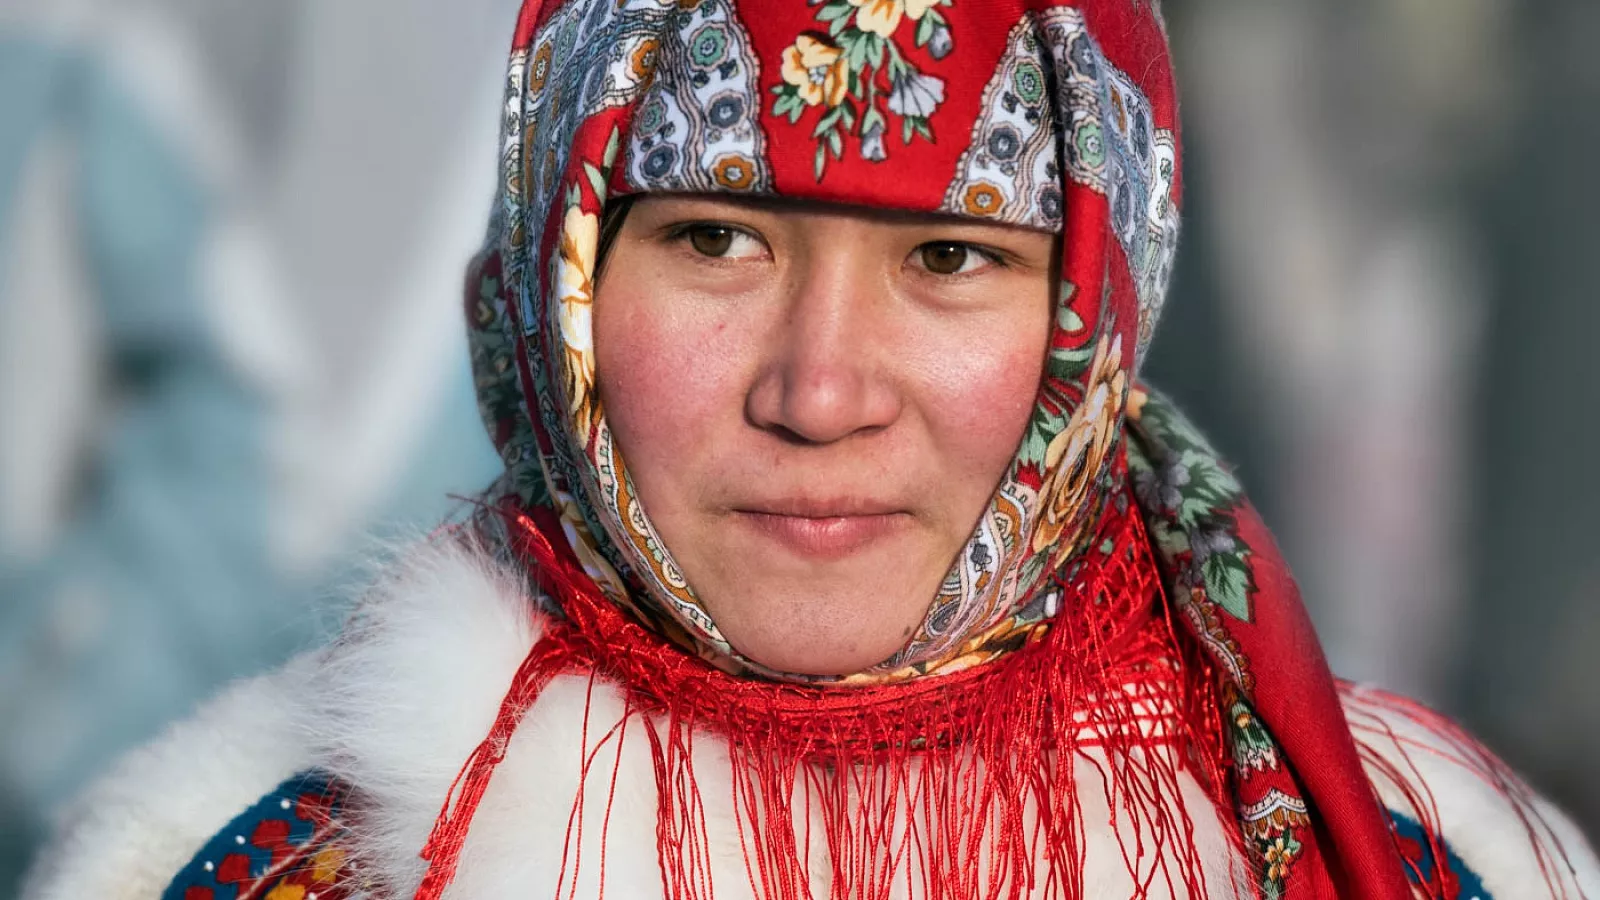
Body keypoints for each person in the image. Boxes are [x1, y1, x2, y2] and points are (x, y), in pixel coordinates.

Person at [19, 0, 1600, 897]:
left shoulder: (1394, 862)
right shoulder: (273, 862)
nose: (821, 390)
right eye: (715, 239)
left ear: (1098, 315)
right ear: (563, 289)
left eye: (952, 258)